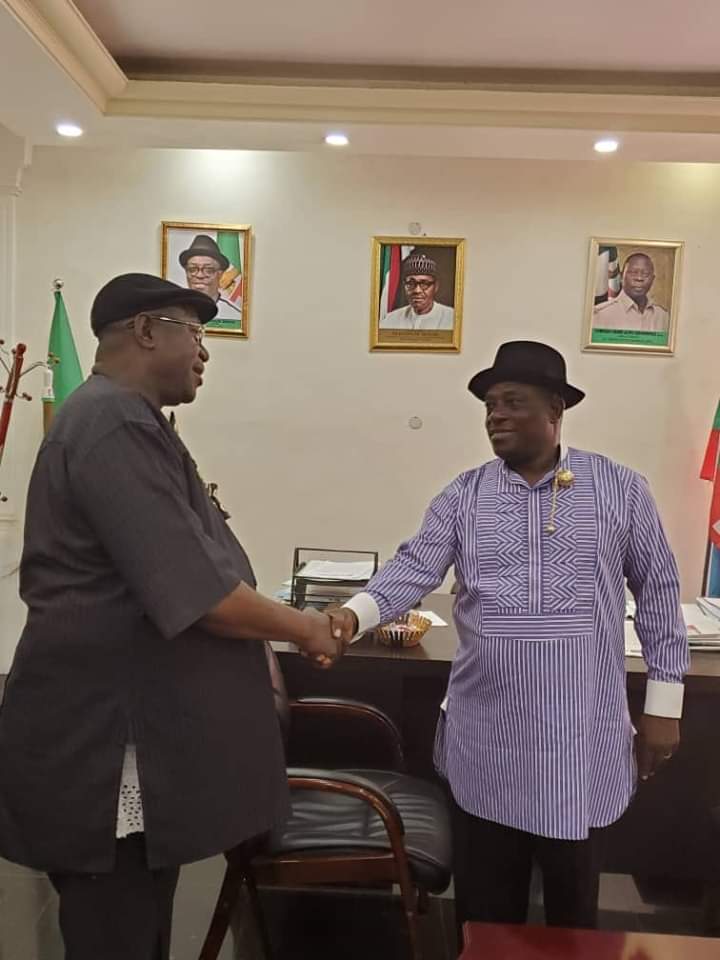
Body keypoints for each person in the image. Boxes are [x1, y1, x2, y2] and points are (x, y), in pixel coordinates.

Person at [0, 273, 345, 960]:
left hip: (130, 729)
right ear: (145, 331)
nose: (204, 351)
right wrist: (306, 626)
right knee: (117, 935)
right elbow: (200, 593)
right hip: (107, 743)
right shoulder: (111, 423)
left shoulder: (125, 418)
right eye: (195, 332)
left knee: (140, 930)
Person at [329, 340, 688, 930]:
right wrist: (349, 617)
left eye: (513, 402)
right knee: (486, 914)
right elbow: (414, 567)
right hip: (488, 739)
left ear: (556, 409)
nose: (495, 415)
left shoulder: (620, 489)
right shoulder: (465, 494)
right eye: (490, 405)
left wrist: (664, 705)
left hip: (580, 742)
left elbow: (658, 592)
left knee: (572, 919)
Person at [593, 252, 670, 332]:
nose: (639, 278)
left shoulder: (663, 316)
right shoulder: (602, 314)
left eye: (645, 274)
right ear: (621, 276)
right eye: (633, 273)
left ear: (652, 279)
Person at [380, 252, 455, 330]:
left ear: (436, 286)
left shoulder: (452, 318)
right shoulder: (391, 319)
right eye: (411, 283)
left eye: (424, 283)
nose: (417, 290)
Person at [179, 234, 241, 320]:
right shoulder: (174, 311)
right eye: (192, 269)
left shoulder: (234, 315)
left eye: (208, 270)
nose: (200, 275)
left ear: (220, 274)